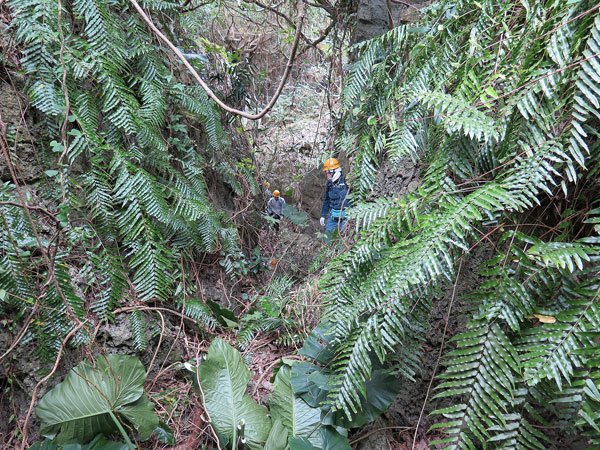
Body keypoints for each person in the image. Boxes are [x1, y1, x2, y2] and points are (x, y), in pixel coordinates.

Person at [320, 158, 350, 233]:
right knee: (328, 237)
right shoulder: (330, 184)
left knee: (343, 238)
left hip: (346, 216)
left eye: (328, 173)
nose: (327, 176)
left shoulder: (346, 182)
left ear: (334, 172)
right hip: (333, 216)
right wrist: (323, 215)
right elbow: (326, 200)